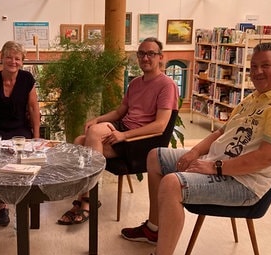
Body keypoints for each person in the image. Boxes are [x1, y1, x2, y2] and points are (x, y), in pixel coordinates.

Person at [119, 42, 271, 255]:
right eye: (253, 66)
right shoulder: (253, 98)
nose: (257, 72)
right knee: (155, 156)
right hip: (218, 165)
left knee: (172, 184)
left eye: (265, 65)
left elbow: (267, 157)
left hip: (243, 183)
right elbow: (221, 132)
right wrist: (196, 152)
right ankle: (154, 228)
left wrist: (216, 167)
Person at [57, 37, 179, 225]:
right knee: (80, 141)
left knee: (94, 134)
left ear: (160, 57)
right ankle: (86, 198)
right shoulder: (136, 83)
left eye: (151, 53)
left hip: (142, 141)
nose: (145, 58)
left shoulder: (167, 85)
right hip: (124, 131)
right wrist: (97, 119)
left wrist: (124, 135)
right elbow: (120, 112)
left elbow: (160, 125)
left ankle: (87, 201)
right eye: (141, 53)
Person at [0, 41, 41, 226]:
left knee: (27, 159)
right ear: (2, 58)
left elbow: (33, 107)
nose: (12, 61)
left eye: (17, 58)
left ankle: (28, 196)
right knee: (0, 162)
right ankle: (3, 206)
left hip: (20, 129)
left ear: (22, 61)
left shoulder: (27, 79)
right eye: (8, 57)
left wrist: (36, 135)